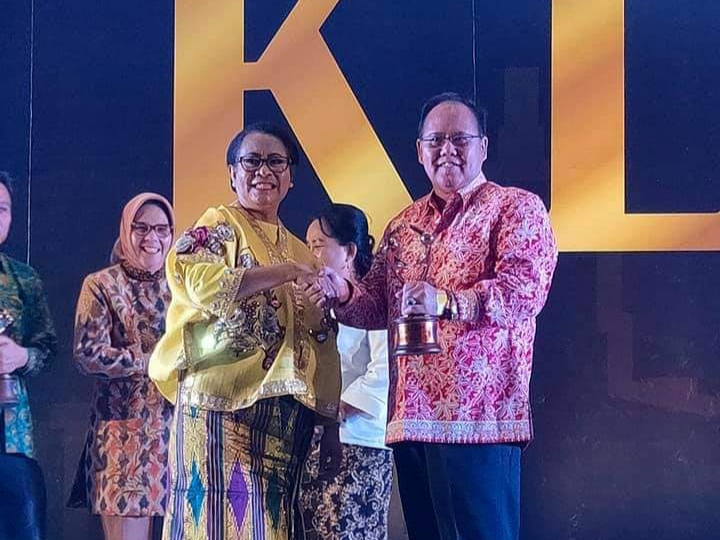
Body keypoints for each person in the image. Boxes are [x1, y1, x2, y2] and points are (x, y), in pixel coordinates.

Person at [307, 93, 558, 540]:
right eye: (435, 140)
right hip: (411, 418)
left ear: (483, 146)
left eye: (460, 139)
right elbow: (375, 305)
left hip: (478, 420)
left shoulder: (515, 208)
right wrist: (342, 292)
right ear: (419, 151)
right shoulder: (402, 226)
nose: (447, 149)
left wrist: (447, 302)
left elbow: (524, 291)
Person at [148, 122, 340, 540]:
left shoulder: (301, 251)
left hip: (285, 421)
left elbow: (322, 341)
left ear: (291, 177)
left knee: (273, 528)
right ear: (232, 173)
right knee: (216, 524)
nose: (263, 171)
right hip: (221, 412)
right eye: (251, 161)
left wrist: (330, 425)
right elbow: (199, 282)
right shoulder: (219, 225)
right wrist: (285, 272)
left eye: (275, 162)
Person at [70, 193, 175, 540]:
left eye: (161, 229)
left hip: (176, 434)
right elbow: (87, 353)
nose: (152, 238)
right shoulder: (101, 285)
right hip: (123, 441)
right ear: (125, 230)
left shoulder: (180, 286)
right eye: (141, 228)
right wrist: (146, 361)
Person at [299, 204, 392, 540]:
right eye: (308, 245)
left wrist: (335, 411)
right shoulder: (312, 301)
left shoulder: (374, 299)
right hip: (312, 440)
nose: (311, 254)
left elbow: (384, 369)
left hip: (358, 440)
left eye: (318, 245)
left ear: (349, 251)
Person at [0, 171, 57, 456]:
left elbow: (48, 349)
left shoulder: (24, 278)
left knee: (14, 482)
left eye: (2, 209)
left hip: (10, 422)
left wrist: (21, 356)